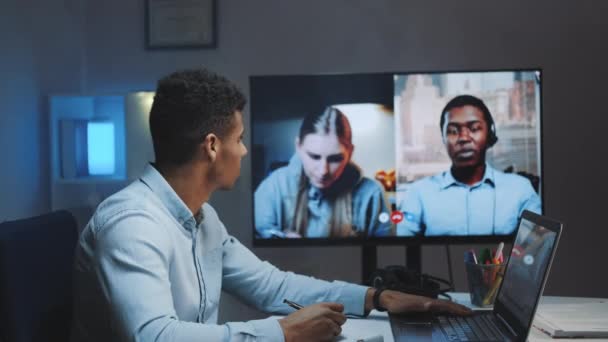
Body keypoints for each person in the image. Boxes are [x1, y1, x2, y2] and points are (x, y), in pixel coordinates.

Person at [71, 69, 471, 342]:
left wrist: (377, 298)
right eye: (240, 138)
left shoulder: (201, 217)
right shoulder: (131, 224)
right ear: (212, 146)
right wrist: (282, 332)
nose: (244, 151)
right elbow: (155, 336)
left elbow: (273, 286)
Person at [397, 95, 541, 236]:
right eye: (453, 131)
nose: (464, 138)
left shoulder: (520, 189)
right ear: (443, 139)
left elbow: (536, 251)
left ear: (489, 135)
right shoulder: (418, 193)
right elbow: (402, 249)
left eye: (474, 128)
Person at [255, 107, 391, 238]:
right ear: (298, 147)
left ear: (350, 153)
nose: (323, 171)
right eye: (314, 156)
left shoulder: (372, 194)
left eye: (335, 159)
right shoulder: (273, 187)